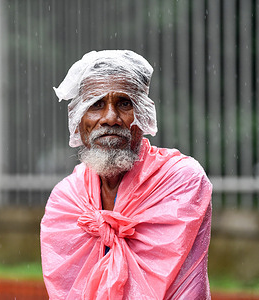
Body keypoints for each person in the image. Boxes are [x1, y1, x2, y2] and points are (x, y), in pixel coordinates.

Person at [40, 50, 212, 299]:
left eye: (124, 103)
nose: (110, 118)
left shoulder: (180, 181)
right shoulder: (65, 200)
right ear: (78, 120)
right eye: (96, 104)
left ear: (143, 115)